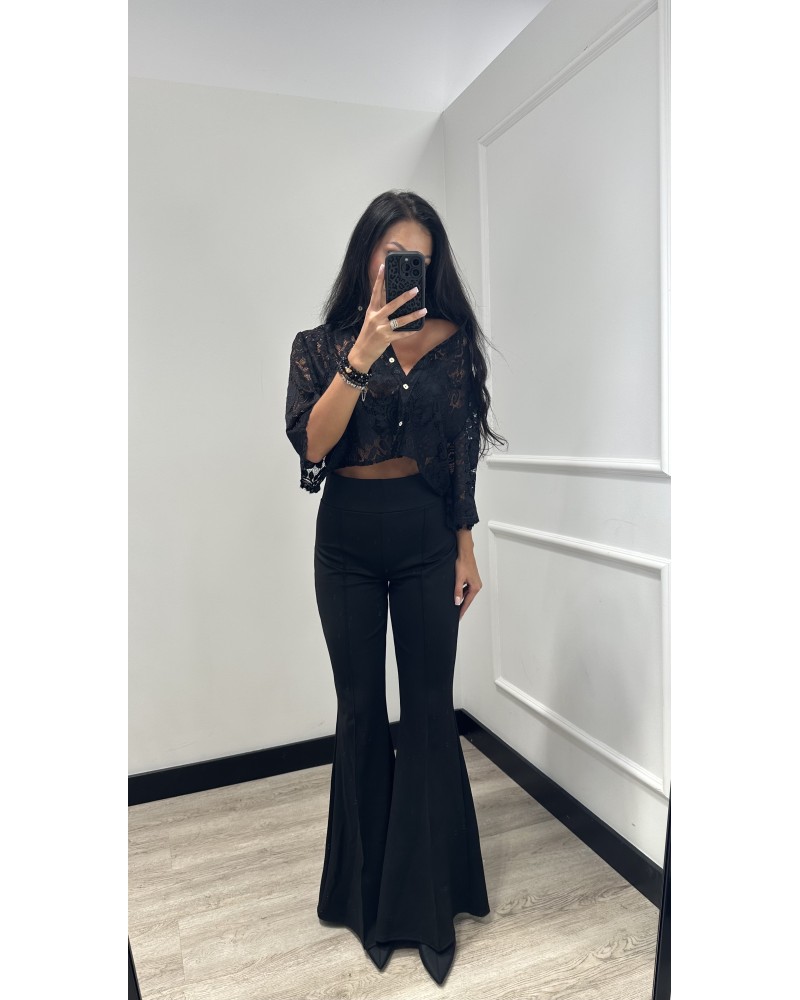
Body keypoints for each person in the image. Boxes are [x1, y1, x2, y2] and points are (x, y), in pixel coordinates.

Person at [285, 190, 506, 986]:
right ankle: (365, 895)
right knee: (358, 710)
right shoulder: (320, 346)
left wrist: (466, 545)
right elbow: (313, 444)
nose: (407, 268)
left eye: (420, 258)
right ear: (368, 259)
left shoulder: (454, 344)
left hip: (426, 540)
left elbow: (460, 457)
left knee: (428, 709)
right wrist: (362, 353)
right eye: (393, 255)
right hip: (346, 542)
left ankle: (429, 901)